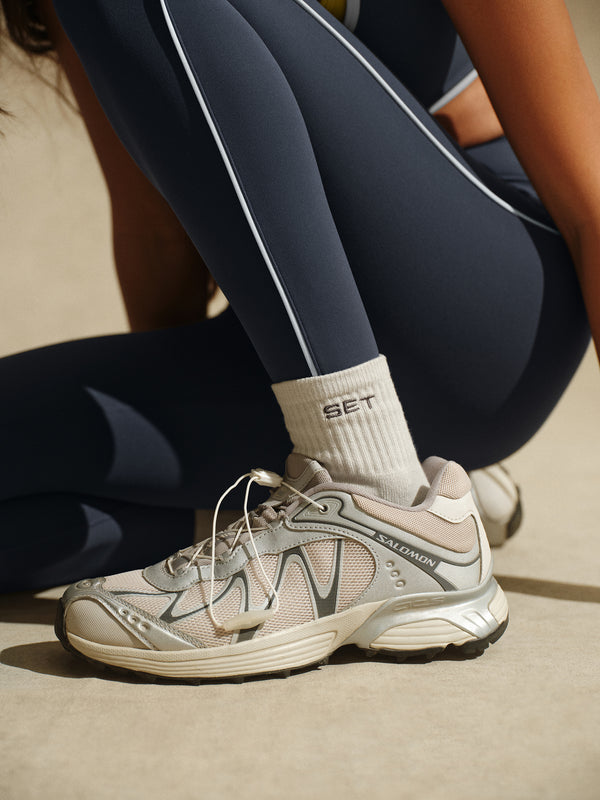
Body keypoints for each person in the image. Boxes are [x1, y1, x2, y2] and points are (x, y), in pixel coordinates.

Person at [2, 0, 598, 678]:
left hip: (489, 323)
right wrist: (181, 468)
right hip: (297, 366)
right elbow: (159, 230)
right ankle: (325, 529)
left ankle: (375, 489)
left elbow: (593, 201)